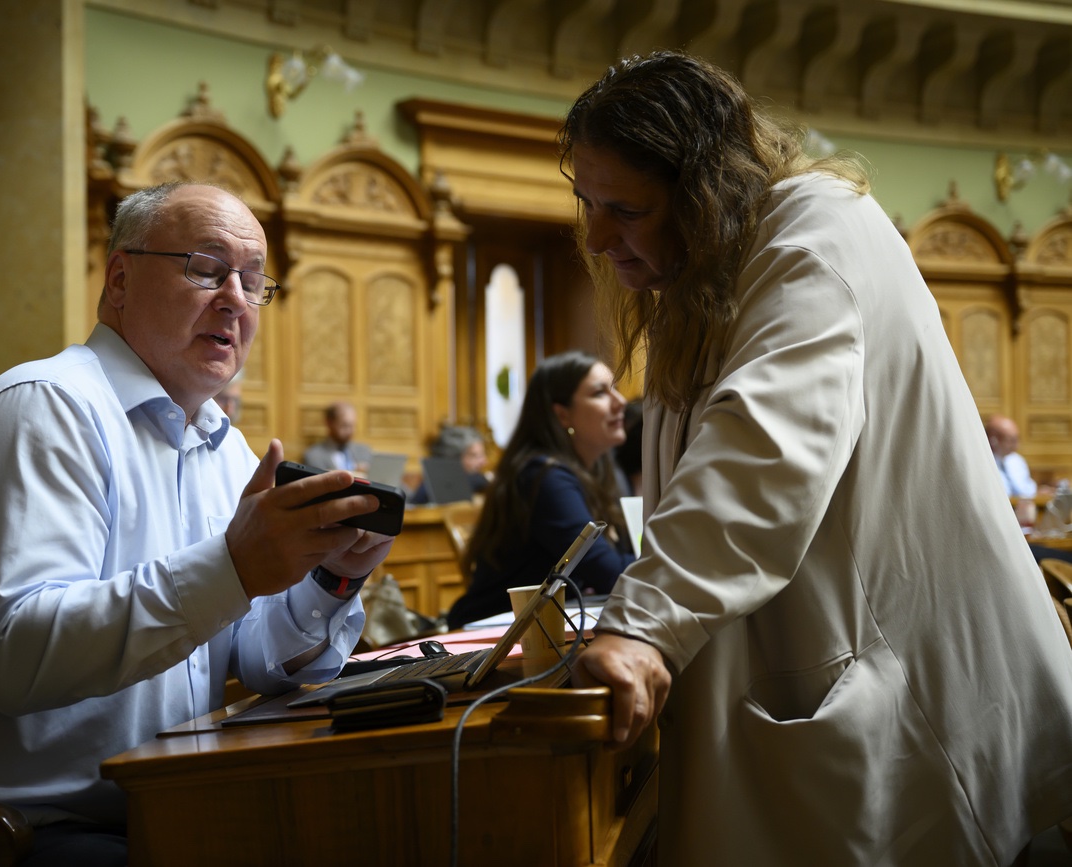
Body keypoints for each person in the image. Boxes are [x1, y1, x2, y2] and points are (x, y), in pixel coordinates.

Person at [561, 52, 1072, 865]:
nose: (595, 236)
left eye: (625, 208)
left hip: (921, 707)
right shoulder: (702, 274)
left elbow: (762, 450)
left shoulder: (813, 232)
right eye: (588, 203)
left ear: (705, 191)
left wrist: (645, 625)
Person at [0, 182, 394, 865]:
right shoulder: (42, 408)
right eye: (207, 268)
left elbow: (257, 657)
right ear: (120, 279)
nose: (236, 300)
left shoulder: (226, 449)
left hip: (146, 809)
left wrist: (332, 578)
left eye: (252, 280)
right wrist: (233, 569)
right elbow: (17, 657)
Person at [445, 351, 634, 629]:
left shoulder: (602, 472)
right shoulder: (544, 477)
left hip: (542, 630)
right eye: (599, 393)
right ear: (562, 414)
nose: (620, 402)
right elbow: (611, 574)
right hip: (494, 636)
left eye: (615, 389)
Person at [408, 424, 491, 504]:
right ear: (454, 458)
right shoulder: (434, 486)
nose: (484, 462)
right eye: (474, 456)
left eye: (483, 455)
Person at [303, 400, 372, 473]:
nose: (350, 431)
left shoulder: (364, 451)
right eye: (344, 425)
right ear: (329, 423)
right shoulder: (313, 456)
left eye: (352, 426)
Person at [985, 413, 1039, 497]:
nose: (1016, 446)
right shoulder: (983, 463)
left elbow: (1027, 490)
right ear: (993, 440)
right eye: (1011, 441)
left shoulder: (1016, 460)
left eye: (1017, 439)